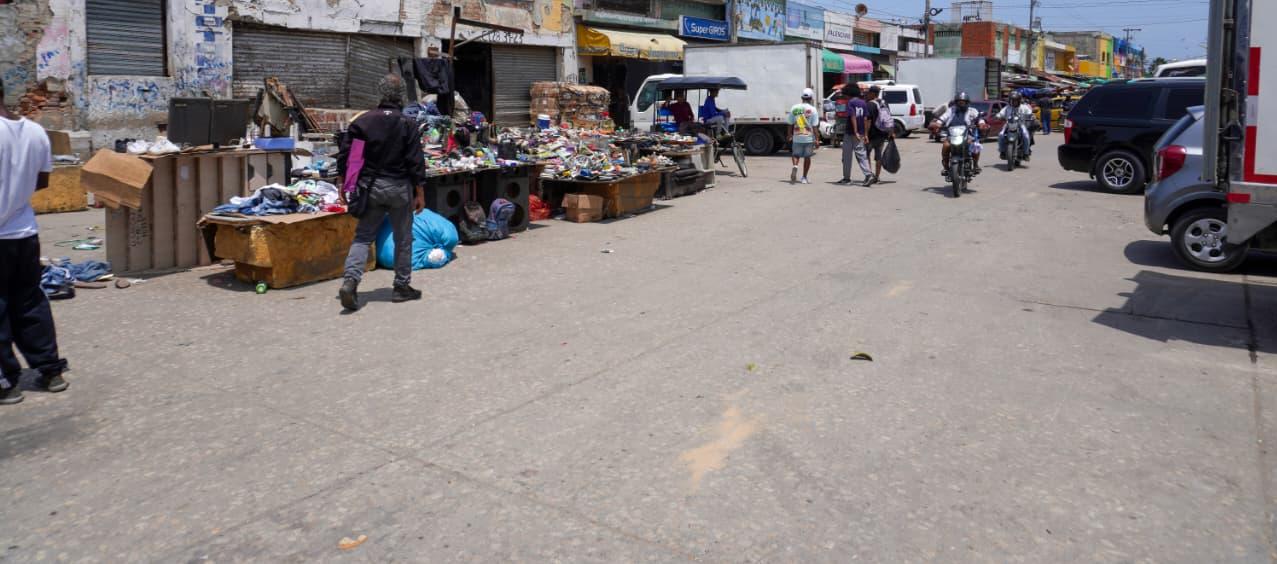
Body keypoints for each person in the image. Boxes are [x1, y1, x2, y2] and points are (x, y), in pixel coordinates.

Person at [0, 77, 70, 405]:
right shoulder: (34, 131)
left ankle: (6, 381)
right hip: (25, 234)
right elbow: (42, 181)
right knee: (29, 300)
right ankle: (50, 369)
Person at [337, 74, 427, 312]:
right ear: (401, 97)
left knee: (363, 237)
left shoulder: (363, 122)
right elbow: (415, 161)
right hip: (400, 189)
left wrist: (345, 185)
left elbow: (352, 158)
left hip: (370, 188)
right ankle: (401, 287)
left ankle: (351, 281)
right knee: (403, 239)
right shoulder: (408, 124)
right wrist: (420, 192)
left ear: (380, 92)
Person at [929, 92, 988, 177]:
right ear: (956, 102)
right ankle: (945, 167)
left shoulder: (972, 111)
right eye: (959, 102)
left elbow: (979, 119)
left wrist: (982, 124)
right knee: (945, 146)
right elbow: (942, 119)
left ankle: (975, 165)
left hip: (968, 135)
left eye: (963, 102)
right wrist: (937, 124)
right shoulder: (951, 110)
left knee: (975, 146)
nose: (961, 104)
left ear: (967, 102)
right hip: (952, 135)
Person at [836, 83, 874, 186]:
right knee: (861, 154)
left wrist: (855, 131)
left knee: (847, 156)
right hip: (861, 132)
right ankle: (868, 174)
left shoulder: (850, 102)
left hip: (850, 133)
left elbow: (852, 116)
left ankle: (847, 178)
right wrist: (865, 134)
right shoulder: (863, 103)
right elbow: (866, 118)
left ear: (848, 93)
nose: (845, 96)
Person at [786, 88, 821, 184]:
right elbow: (815, 127)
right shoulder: (813, 110)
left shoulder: (795, 108)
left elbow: (790, 123)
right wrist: (817, 139)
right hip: (808, 138)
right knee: (807, 157)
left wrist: (789, 135)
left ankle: (795, 166)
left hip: (797, 137)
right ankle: (804, 177)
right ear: (811, 98)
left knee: (795, 155)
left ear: (802, 97)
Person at [864, 85, 894, 185]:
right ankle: (877, 176)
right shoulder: (884, 103)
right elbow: (889, 118)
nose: (867, 94)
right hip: (882, 134)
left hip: (872, 134)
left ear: (872, 93)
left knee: (866, 155)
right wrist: (890, 132)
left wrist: (865, 134)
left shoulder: (870, 104)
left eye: (868, 93)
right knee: (878, 156)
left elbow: (867, 120)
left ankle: (869, 175)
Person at [997, 92, 1036, 161]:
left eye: (1015, 100)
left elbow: (1030, 113)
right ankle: (1002, 151)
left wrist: (1032, 116)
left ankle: (1026, 153)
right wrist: (998, 116)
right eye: (1012, 100)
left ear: (1019, 100)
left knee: (1026, 136)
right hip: (1008, 124)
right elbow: (1001, 113)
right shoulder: (1007, 107)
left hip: (1021, 124)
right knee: (1001, 135)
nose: (1014, 102)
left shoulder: (1024, 107)